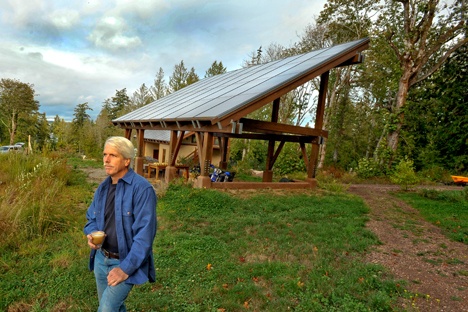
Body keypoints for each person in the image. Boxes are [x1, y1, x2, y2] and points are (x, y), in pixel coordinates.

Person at [84, 136, 157, 312]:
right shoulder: (103, 188)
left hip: (124, 260)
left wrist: (125, 269)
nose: (106, 160)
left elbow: (144, 236)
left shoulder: (142, 189)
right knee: (113, 308)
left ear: (126, 161)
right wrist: (92, 233)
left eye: (113, 155)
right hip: (101, 259)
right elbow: (91, 218)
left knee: (107, 309)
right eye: (104, 154)